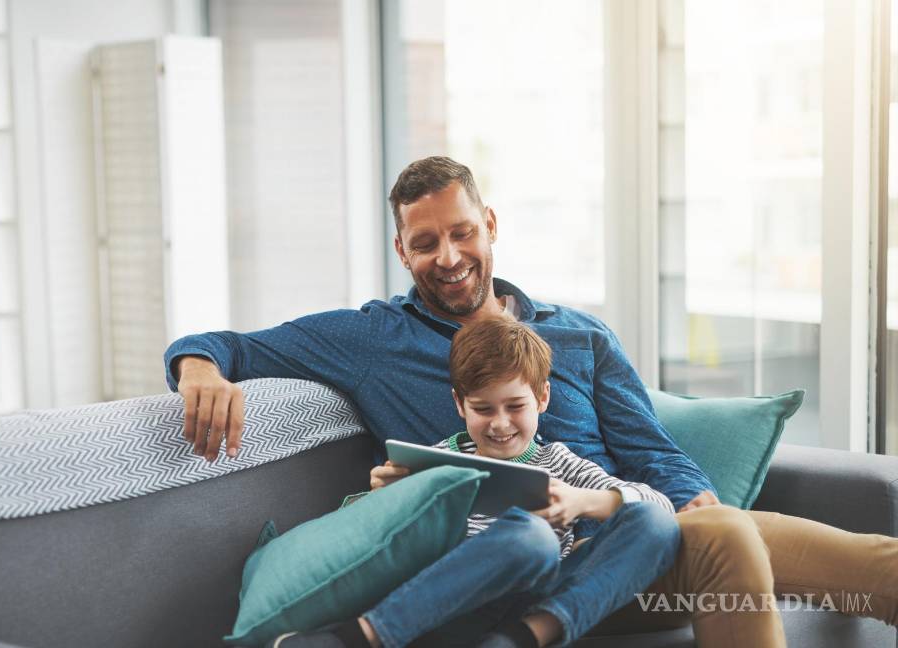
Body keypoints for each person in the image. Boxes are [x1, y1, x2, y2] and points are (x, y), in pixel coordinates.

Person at [165, 156, 898, 646]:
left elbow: (647, 448)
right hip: (518, 563)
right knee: (726, 538)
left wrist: (693, 497)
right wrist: (199, 372)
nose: (447, 258)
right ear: (401, 251)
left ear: (491, 226)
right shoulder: (371, 339)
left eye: (461, 232)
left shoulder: (577, 335)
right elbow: (225, 343)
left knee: (859, 562)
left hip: (625, 533)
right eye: (425, 243)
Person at [272, 317, 681, 648]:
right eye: (483, 409)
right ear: (459, 404)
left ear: (542, 398)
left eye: (515, 406)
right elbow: (347, 535)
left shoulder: (558, 463)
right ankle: (364, 636)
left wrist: (581, 502)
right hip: (449, 606)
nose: (500, 424)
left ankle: (520, 639)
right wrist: (381, 500)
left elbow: (658, 506)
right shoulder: (436, 459)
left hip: (534, 606)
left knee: (657, 523)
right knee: (532, 537)